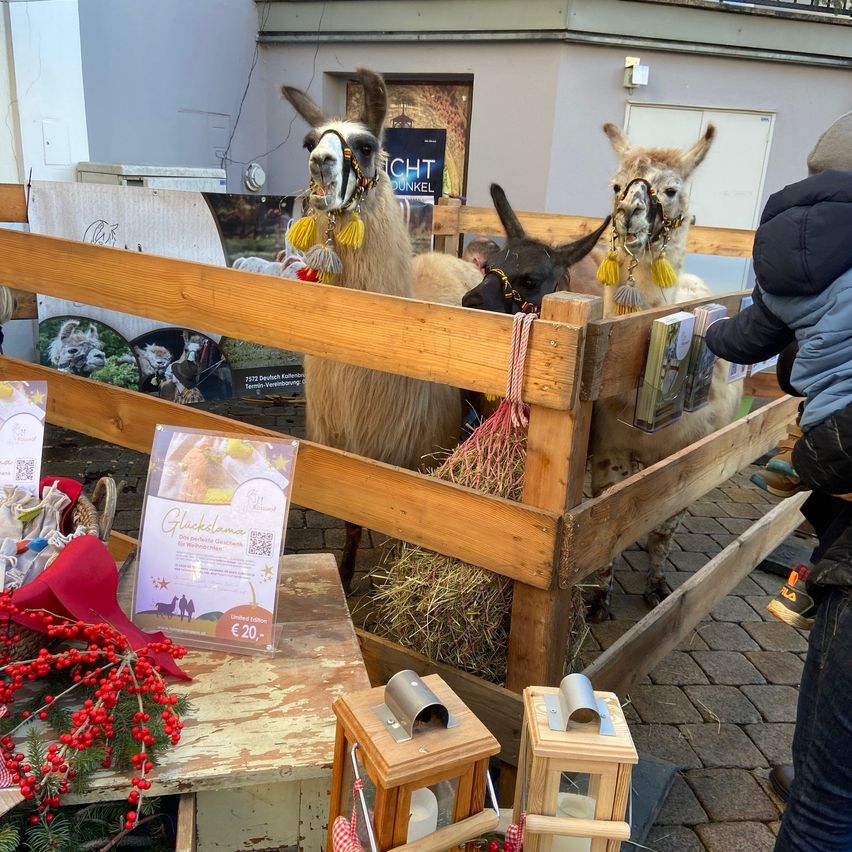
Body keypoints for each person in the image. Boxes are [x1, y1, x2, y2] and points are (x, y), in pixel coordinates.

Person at [705, 110, 852, 851]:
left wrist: (705, 336)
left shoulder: (786, 251)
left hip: (835, 453)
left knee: (826, 805)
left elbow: (754, 336)